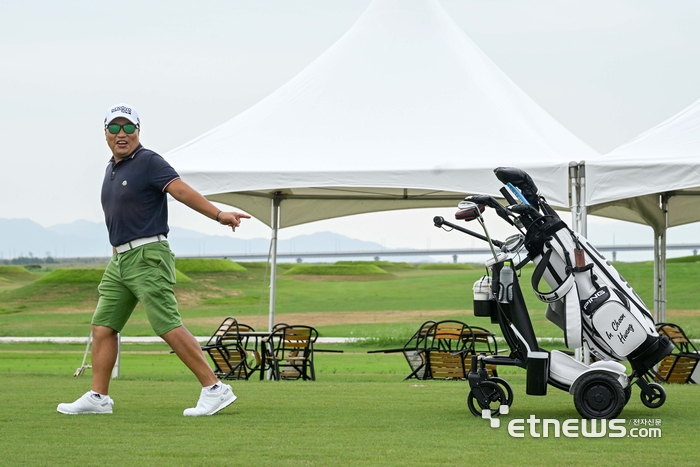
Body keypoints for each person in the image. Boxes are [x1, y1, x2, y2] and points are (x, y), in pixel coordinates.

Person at [57, 103, 251, 416]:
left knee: (166, 324)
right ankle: (98, 397)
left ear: (138, 131)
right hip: (120, 259)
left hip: (148, 254)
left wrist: (219, 214)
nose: (122, 134)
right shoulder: (112, 169)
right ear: (105, 133)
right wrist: (116, 255)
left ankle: (215, 388)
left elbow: (181, 190)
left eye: (129, 127)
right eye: (115, 128)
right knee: (103, 327)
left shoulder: (148, 161)